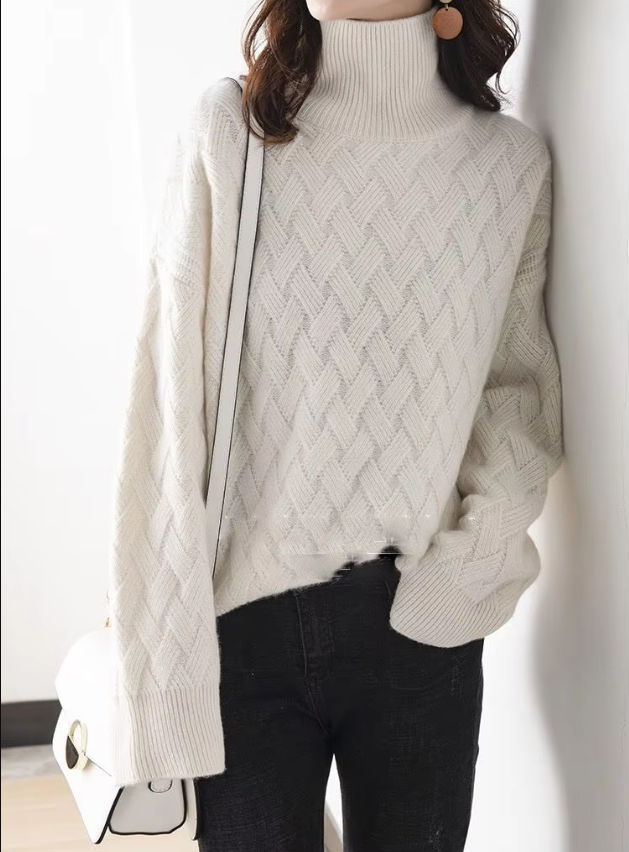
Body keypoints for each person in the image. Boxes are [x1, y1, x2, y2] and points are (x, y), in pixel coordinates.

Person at [108, 1, 564, 849]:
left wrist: (461, 578)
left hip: (418, 629)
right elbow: (165, 408)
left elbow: (515, 397)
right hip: (237, 637)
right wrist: (160, 662)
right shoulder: (233, 132)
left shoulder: (506, 166)